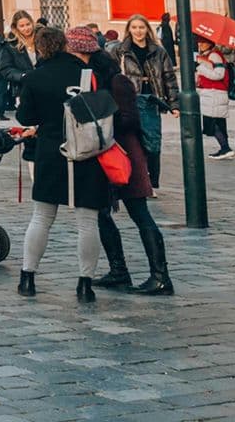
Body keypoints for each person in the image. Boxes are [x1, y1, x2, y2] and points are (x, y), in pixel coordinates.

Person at [15, 24, 113, 303]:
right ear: (65, 45)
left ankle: (27, 277)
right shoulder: (88, 75)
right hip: (86, 151)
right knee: (87, 221)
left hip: (50, 150)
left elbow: (24, 117)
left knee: (42, 217)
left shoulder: (34, 77)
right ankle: (85, 284)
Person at [91, 46, 174, 297]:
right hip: (107, 156)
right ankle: (118, 270)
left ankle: (160, 276)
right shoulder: (99, 84)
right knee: (101, 213)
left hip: (128, 157)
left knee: (140, 214)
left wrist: (102, 120)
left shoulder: (119, 83)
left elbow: (130, 119)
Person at [111, 15, 177, 187]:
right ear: (129, 30)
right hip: (129, 100)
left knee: (153, 142)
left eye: (141, 27)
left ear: (147, 29)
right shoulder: (120, 51)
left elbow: (169, 77)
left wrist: (174, 104)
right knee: (133, 142)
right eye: (134, 28)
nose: (138, 31)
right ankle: (138, 181)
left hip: (151, 99)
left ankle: (152, 182)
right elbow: (111, 75)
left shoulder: (158, 51)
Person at [195, 43, 235, 159]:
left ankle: (226, 148)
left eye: (204, 42)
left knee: (212, 123)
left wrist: (200, 67)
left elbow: (219, 74)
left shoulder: (214, 55)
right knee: (218, 123)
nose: (201, 44)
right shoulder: (209, 55)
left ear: (210, 43)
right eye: (200, 42)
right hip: (213, 93)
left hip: (214, 93)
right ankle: (224, 148)